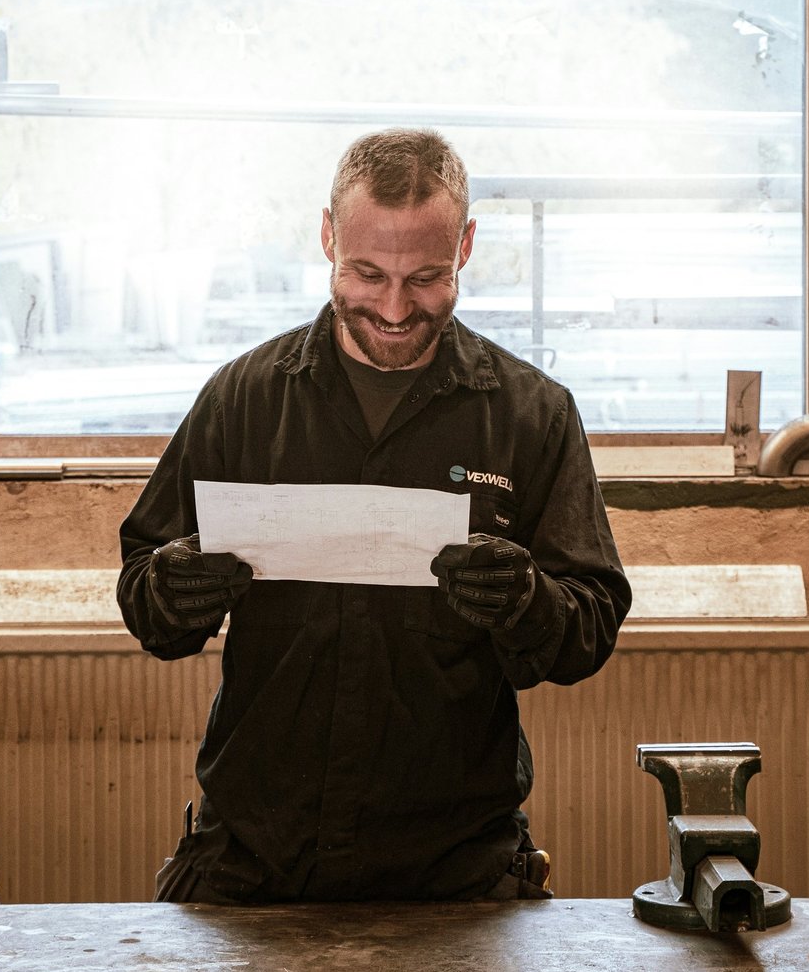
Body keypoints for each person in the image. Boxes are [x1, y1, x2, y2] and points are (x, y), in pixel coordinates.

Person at [117, 127, 629, 904]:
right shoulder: (244, 400)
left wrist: (528, 602)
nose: (394, 308)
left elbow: (588, 626)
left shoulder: (532, 415)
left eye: (425, 277)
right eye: (366, 272)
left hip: (455, 871)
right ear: (327, 236)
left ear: (465, 247)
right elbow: (147, 604)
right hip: (252, 861)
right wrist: (168, 589)